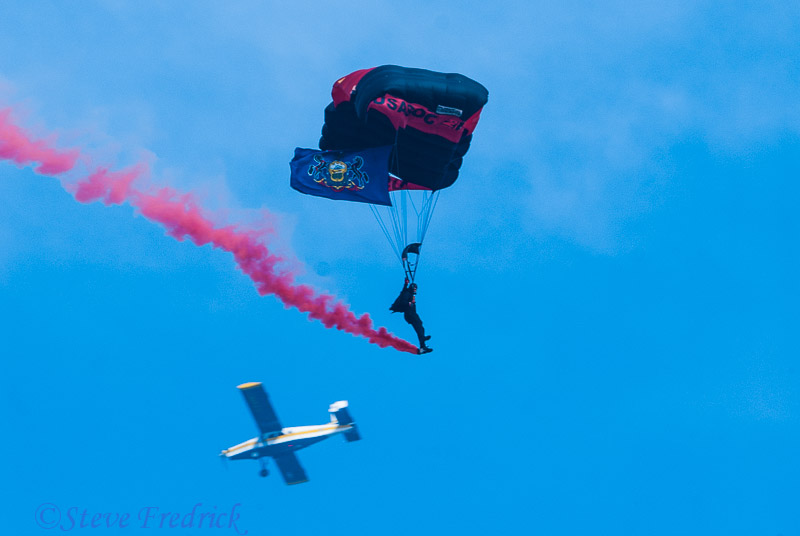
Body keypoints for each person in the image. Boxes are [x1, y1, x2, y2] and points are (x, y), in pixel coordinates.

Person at [390, 278, 432, 354]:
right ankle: (422, 346)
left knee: (420, 326)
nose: (415, 290)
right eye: (415, 288)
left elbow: (403, 291)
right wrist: (409, 303)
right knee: (419, 328)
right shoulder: (407, 294)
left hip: (412, 314)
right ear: (412, 288)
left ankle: (423, 341)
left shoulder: (409, 294)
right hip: (410, 314)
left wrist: (406, 284)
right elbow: (403, 300)